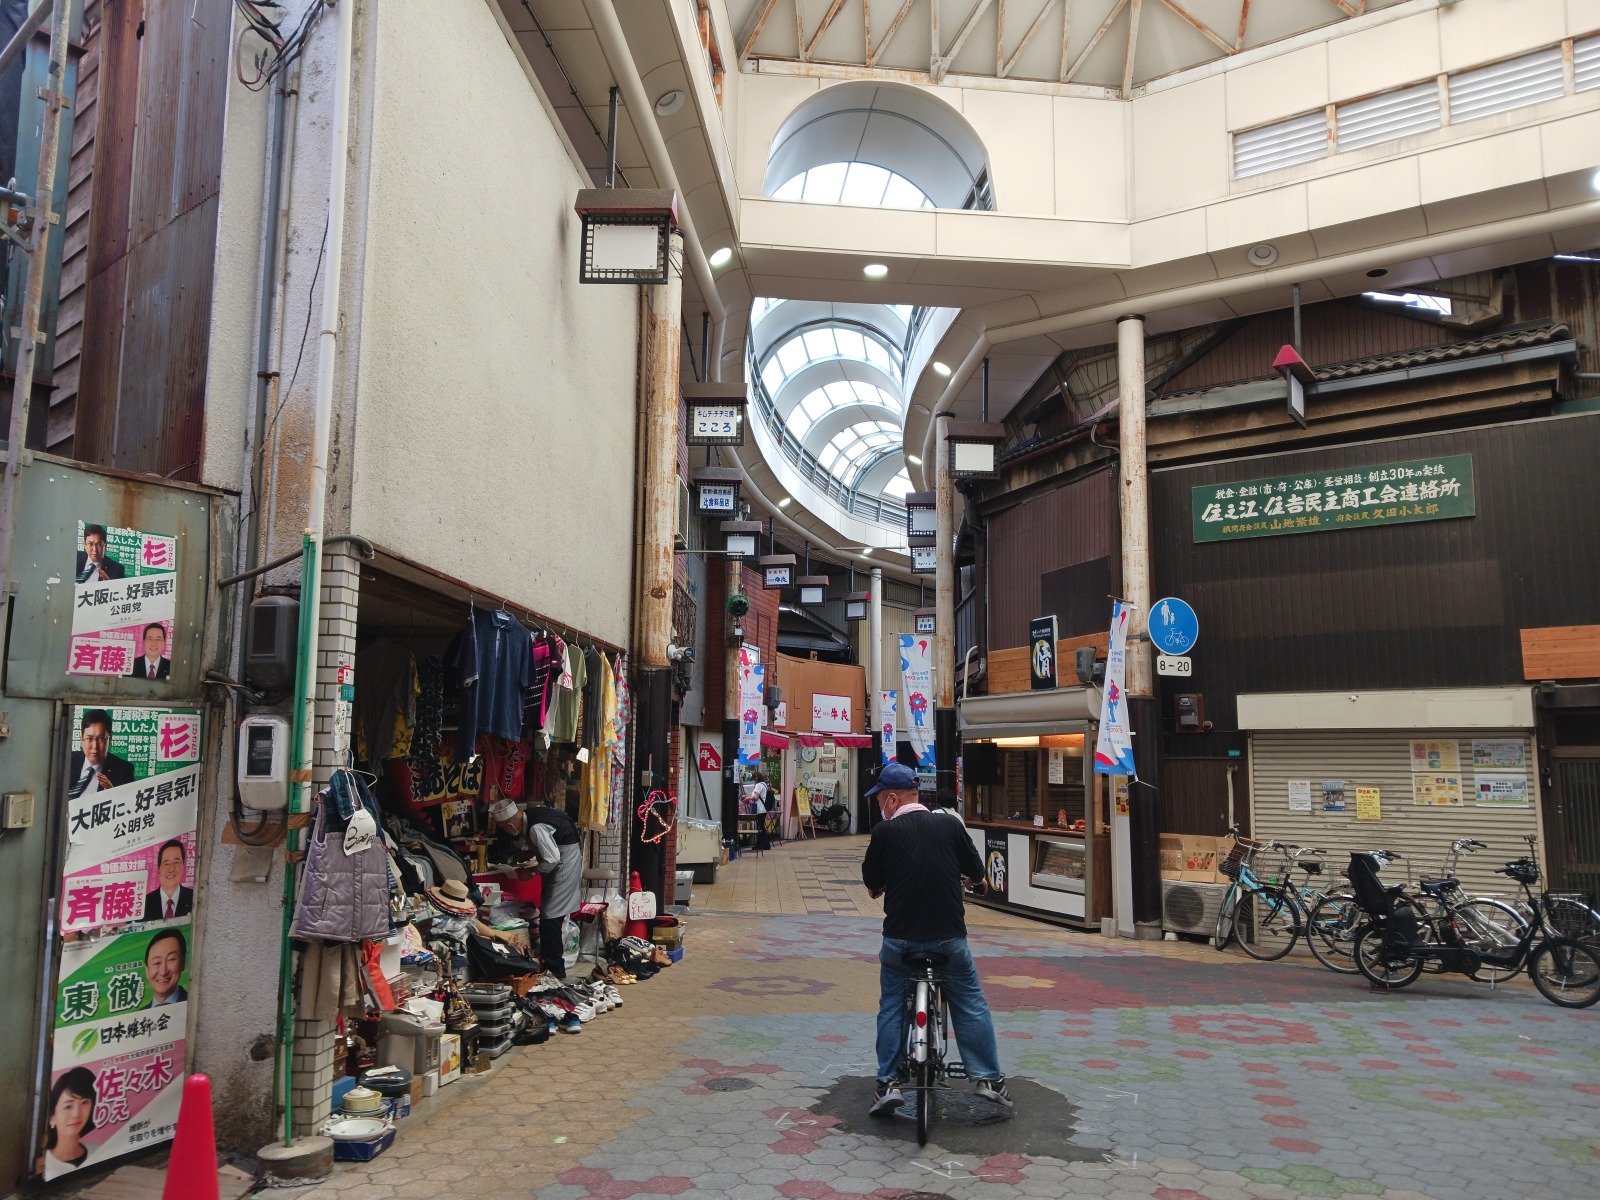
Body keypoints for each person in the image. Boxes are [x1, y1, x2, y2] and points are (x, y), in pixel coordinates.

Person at [860, 761, 1011, 1118]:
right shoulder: (950, 825)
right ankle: (988, 1079)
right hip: (949, 940)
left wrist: (880, 886)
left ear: (893, 799)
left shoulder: (884, 833)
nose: (879, 806)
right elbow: (977, 872)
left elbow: (872, 883)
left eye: (880, 799)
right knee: (970, 1002)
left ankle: (888, 1083)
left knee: (892, 1004)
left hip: (900, 942)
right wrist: (977, 883)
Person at [489, 797, 582, 980]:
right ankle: (551, 966)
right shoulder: (531, 816)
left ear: (510, 826)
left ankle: (555, 970)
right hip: (565, 861)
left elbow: (552, 858)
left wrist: (532, 872)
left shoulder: (535, 827)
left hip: (565, 865)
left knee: (550, 919)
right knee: (550, 918)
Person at [68, 710, 135, 799]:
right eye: (89, 739)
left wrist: (113, 795)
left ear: (109, 739)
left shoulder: (123, 770)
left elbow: (130, 803)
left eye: (101, 738)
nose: (95, 746)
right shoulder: (68, 761)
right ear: (82, 739)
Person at [43, 1067, 96, 1176]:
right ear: (52, 1117)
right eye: (68, 1106)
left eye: (84, 1102)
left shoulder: (97, 1151)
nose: (76, 1114)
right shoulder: (43, 1164)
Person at [142, 839, 193, 921]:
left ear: (183, 866)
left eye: (176, 862)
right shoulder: (143, 904)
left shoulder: (194, 897)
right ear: (159, 870)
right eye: (166, 863)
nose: (171, 869)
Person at [143, 927, 187, 1007]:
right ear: (147, 971)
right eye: (157, 963)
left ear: (183, 963)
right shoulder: (141, 1013)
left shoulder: (194, 1003)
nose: (163, 972)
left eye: (171, 959)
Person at [749, 771, 773, 851]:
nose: (753, 781)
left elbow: (755, 797)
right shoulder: (764, 784)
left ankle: (764, 845)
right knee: (761, 826)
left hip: (759, 809)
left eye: (753, 779)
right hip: (763, 809)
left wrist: (747, 798)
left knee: (760, 827)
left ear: (756, 778)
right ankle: (762, 844)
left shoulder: (758, 785)